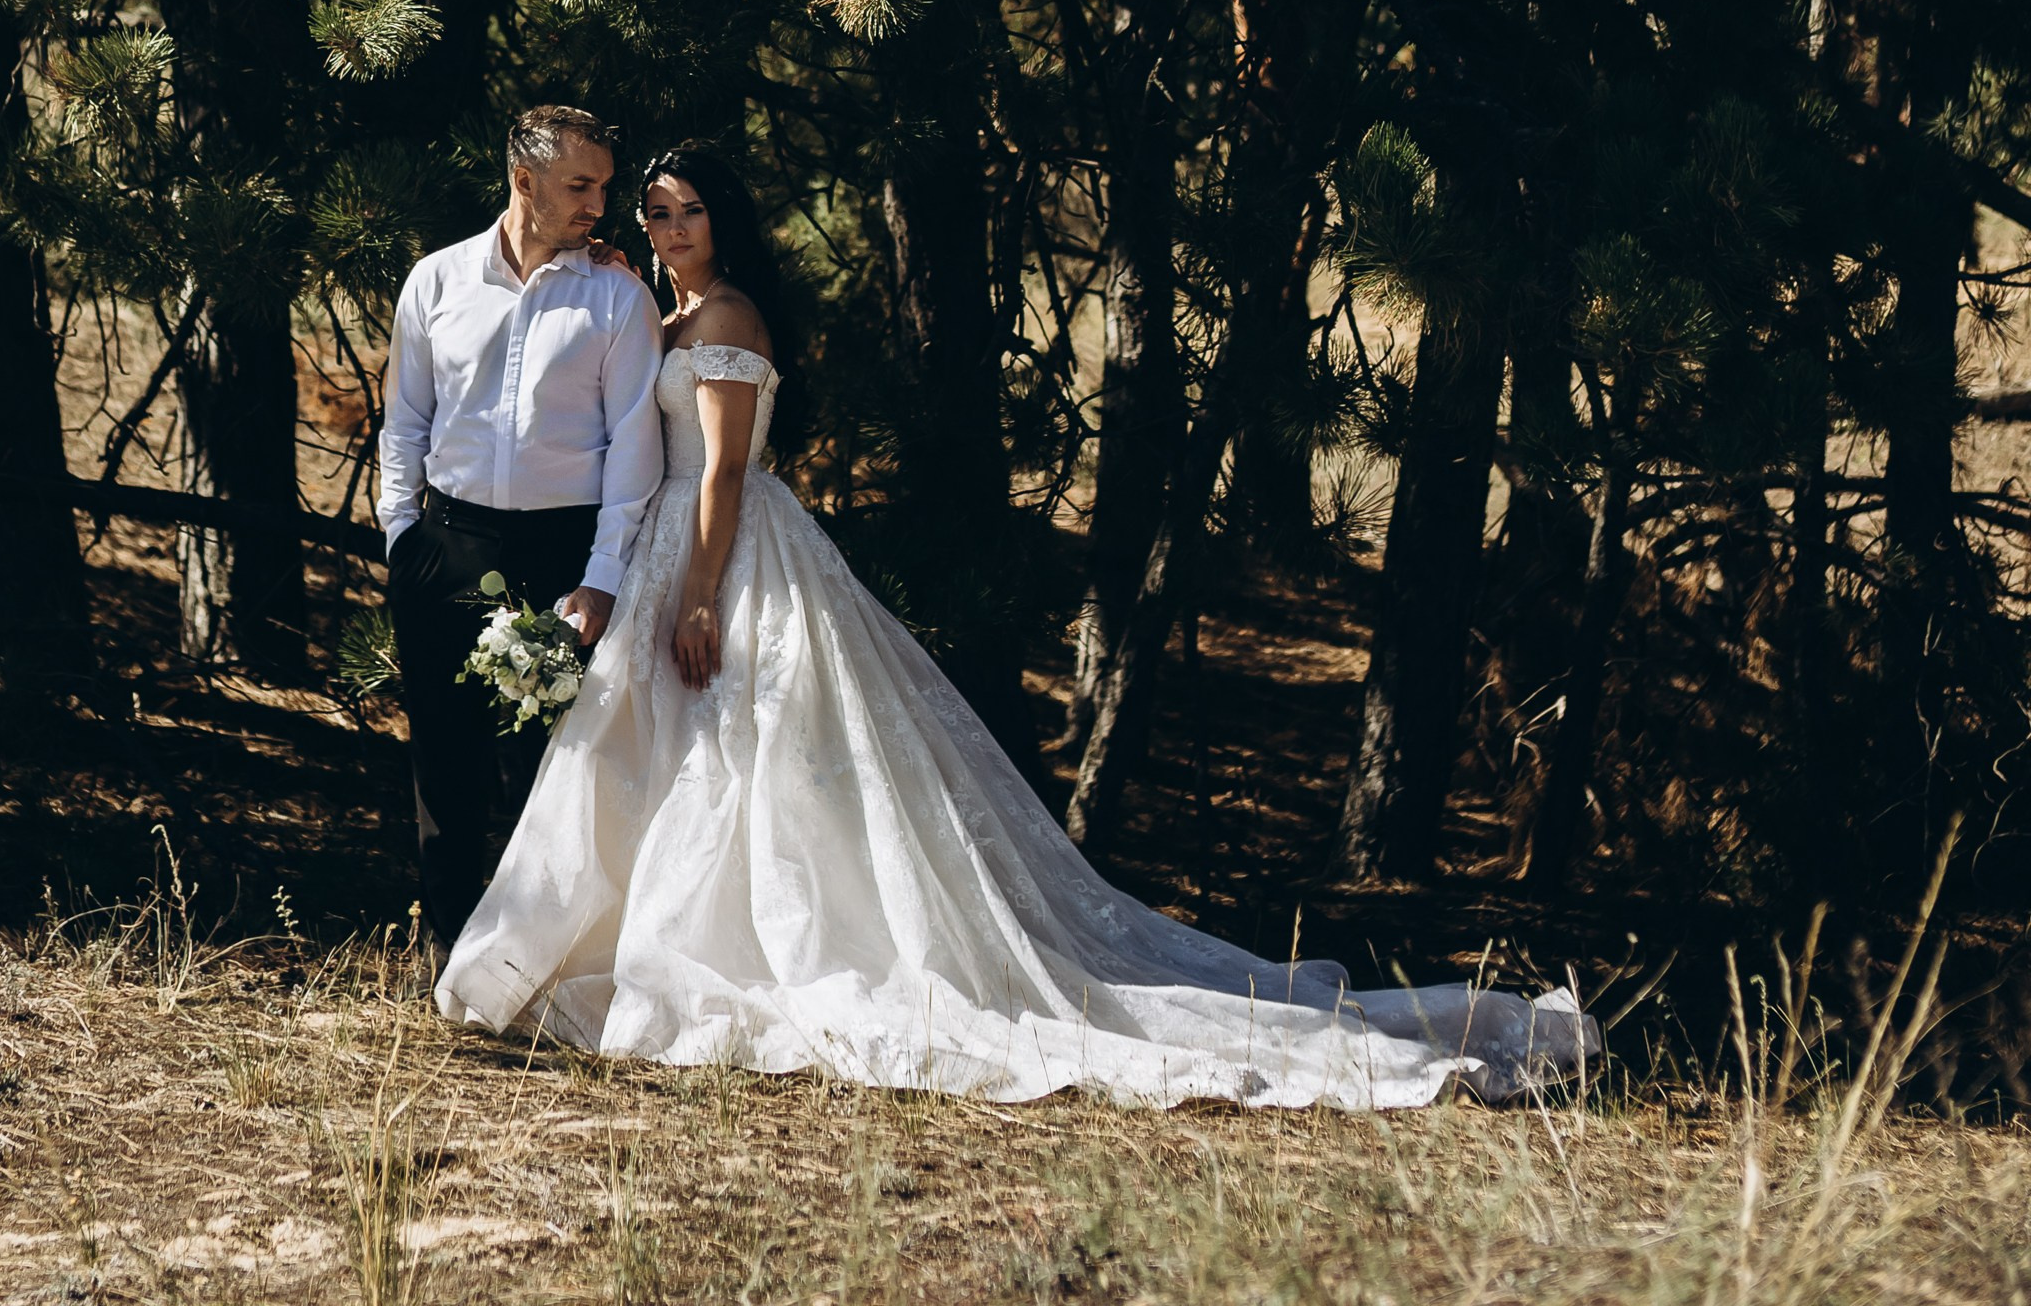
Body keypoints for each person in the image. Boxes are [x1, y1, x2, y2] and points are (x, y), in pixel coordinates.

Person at [437, 143, 1598, 1107]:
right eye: (656, 210)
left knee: (747, 763)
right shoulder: (669, 305)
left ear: (724, 221)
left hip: (724, 558)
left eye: (688, 211)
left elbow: (726, 475)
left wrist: (697, 591)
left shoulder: (728, 313)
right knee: (689, 765)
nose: (670, 224)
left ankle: (738, 955)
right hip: (670, 556)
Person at [378, 109, 663, 952]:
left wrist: (603, 575)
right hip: (447, 545)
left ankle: (544, 963)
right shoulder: (435, 281)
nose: (598, 205)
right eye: (581, 186)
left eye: (605, 186)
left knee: (555, 769)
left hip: (563, 556)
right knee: (445, 760)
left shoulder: (617, 294)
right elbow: (406, 424)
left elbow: (633, 452)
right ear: (525, 181)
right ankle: (453, 960)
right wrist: (403, 538)